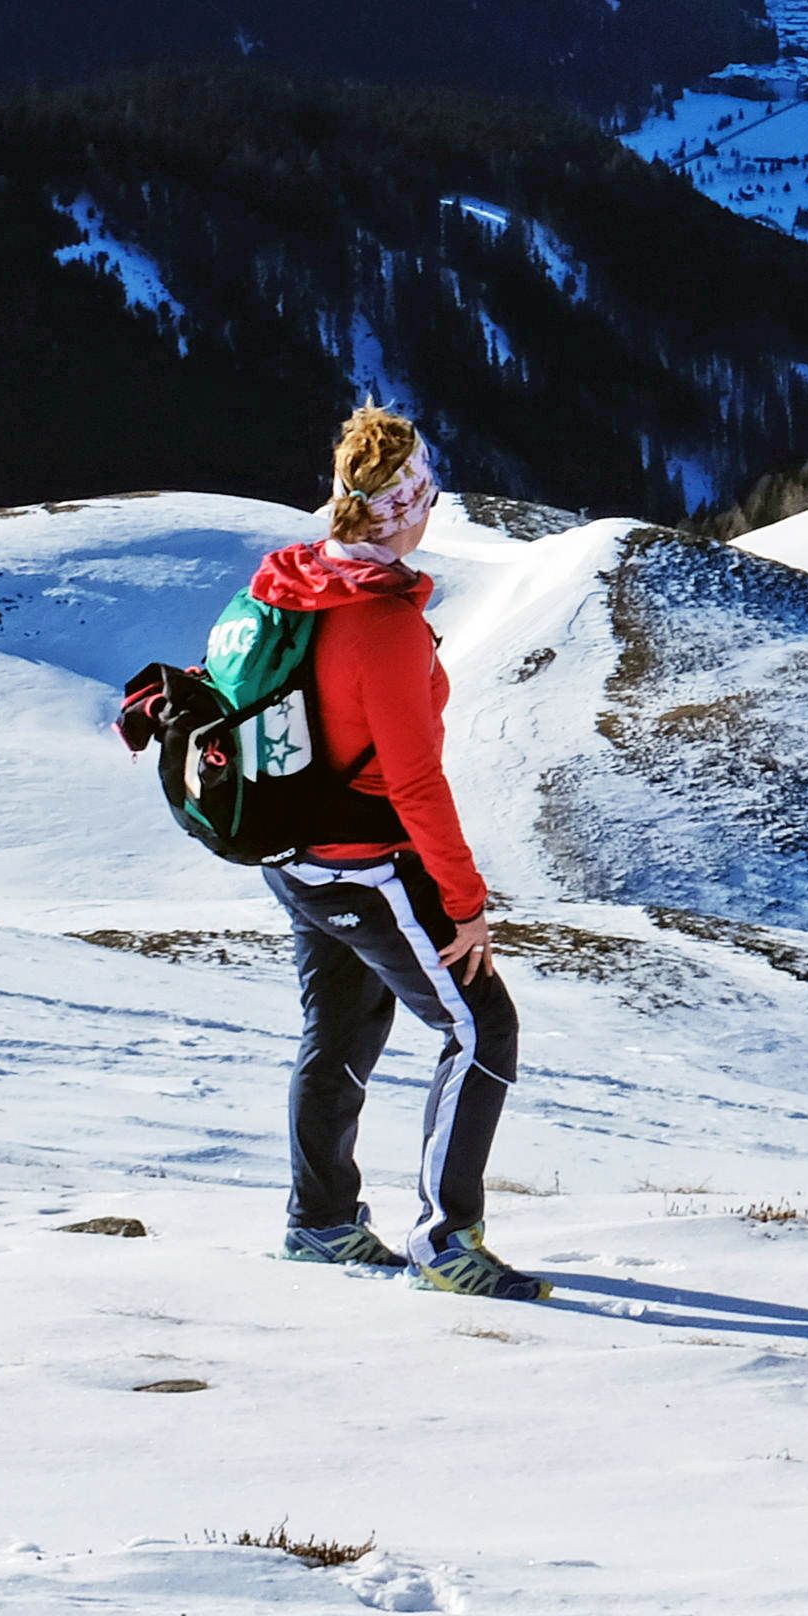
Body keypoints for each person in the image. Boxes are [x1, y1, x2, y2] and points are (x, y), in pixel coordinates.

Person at [246, 408, 540, 1300]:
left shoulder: (300, 579)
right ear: (402, 507)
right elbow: (415, 784)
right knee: (481, 1028)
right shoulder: (381, 625)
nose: (433, 503)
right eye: (423, 490)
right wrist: (464, 901)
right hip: (365, 859)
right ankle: (447, 1242)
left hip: (295, 852)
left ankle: (321, 1223)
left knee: (339, 1029)